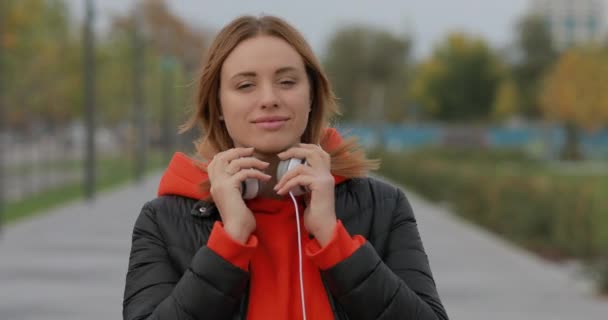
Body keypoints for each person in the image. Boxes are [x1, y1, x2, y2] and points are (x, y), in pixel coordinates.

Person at [122, 14, 448, 320]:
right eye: (245, 85)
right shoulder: (161, 221)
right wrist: (229, 243)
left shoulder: (385, 207)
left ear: (311, 97)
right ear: (218, 105)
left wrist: (334, 241)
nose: (269, 98)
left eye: (287, 82)